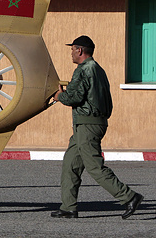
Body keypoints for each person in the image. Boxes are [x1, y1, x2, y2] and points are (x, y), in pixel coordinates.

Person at [50, 35, 143, 219]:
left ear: (80, 50)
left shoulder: (83, 69)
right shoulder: (98, 69)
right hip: (91, 123)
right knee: (70, 164)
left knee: (94, 167)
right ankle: (68, 207)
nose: (71, 53)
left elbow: (75, 98)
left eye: (72, 49)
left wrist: (59, 96)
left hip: (87, 124)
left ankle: (130, 197)